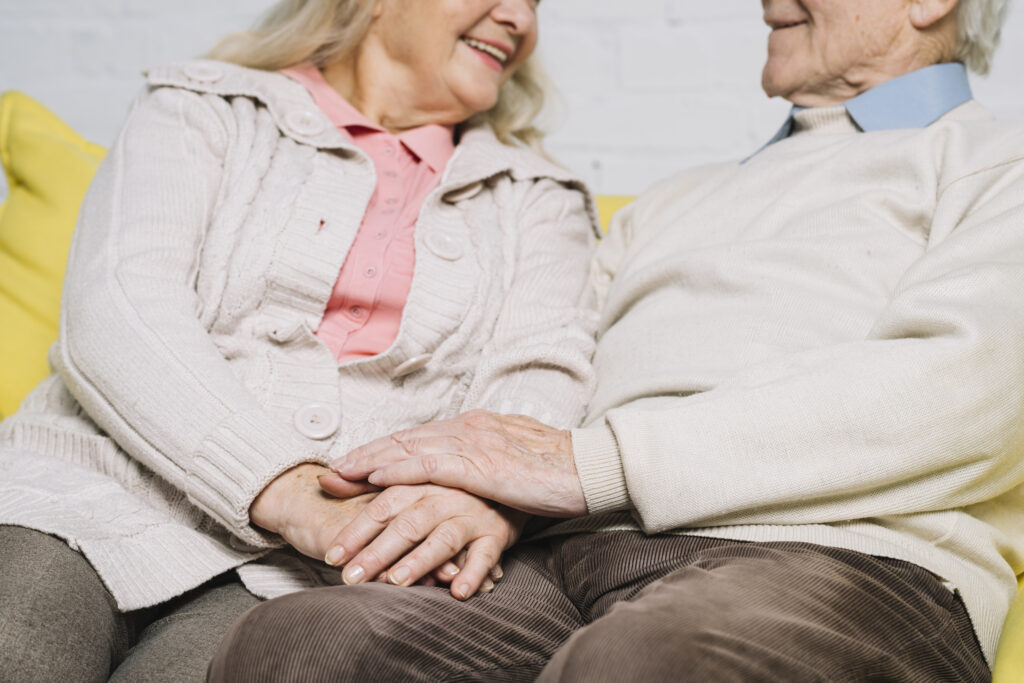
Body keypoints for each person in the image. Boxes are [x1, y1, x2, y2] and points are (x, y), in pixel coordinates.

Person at [209, 0, 1024, 680]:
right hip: (566, 558)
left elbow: (969, 388)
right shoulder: (670, 203)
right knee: (301, 642)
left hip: (842, 565)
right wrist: (480, 494)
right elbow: (552, 367)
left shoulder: (999, 165)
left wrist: (587, 465)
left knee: (648, 659)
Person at [0, 0, 598, 680]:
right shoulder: (203, 107)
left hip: (313, 569)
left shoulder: (538, 198)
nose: (520, 18)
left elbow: (539, 377)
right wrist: (285, 489)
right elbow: (119, 308)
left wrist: (470, 503)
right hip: (84, 495)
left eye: (536, 1)